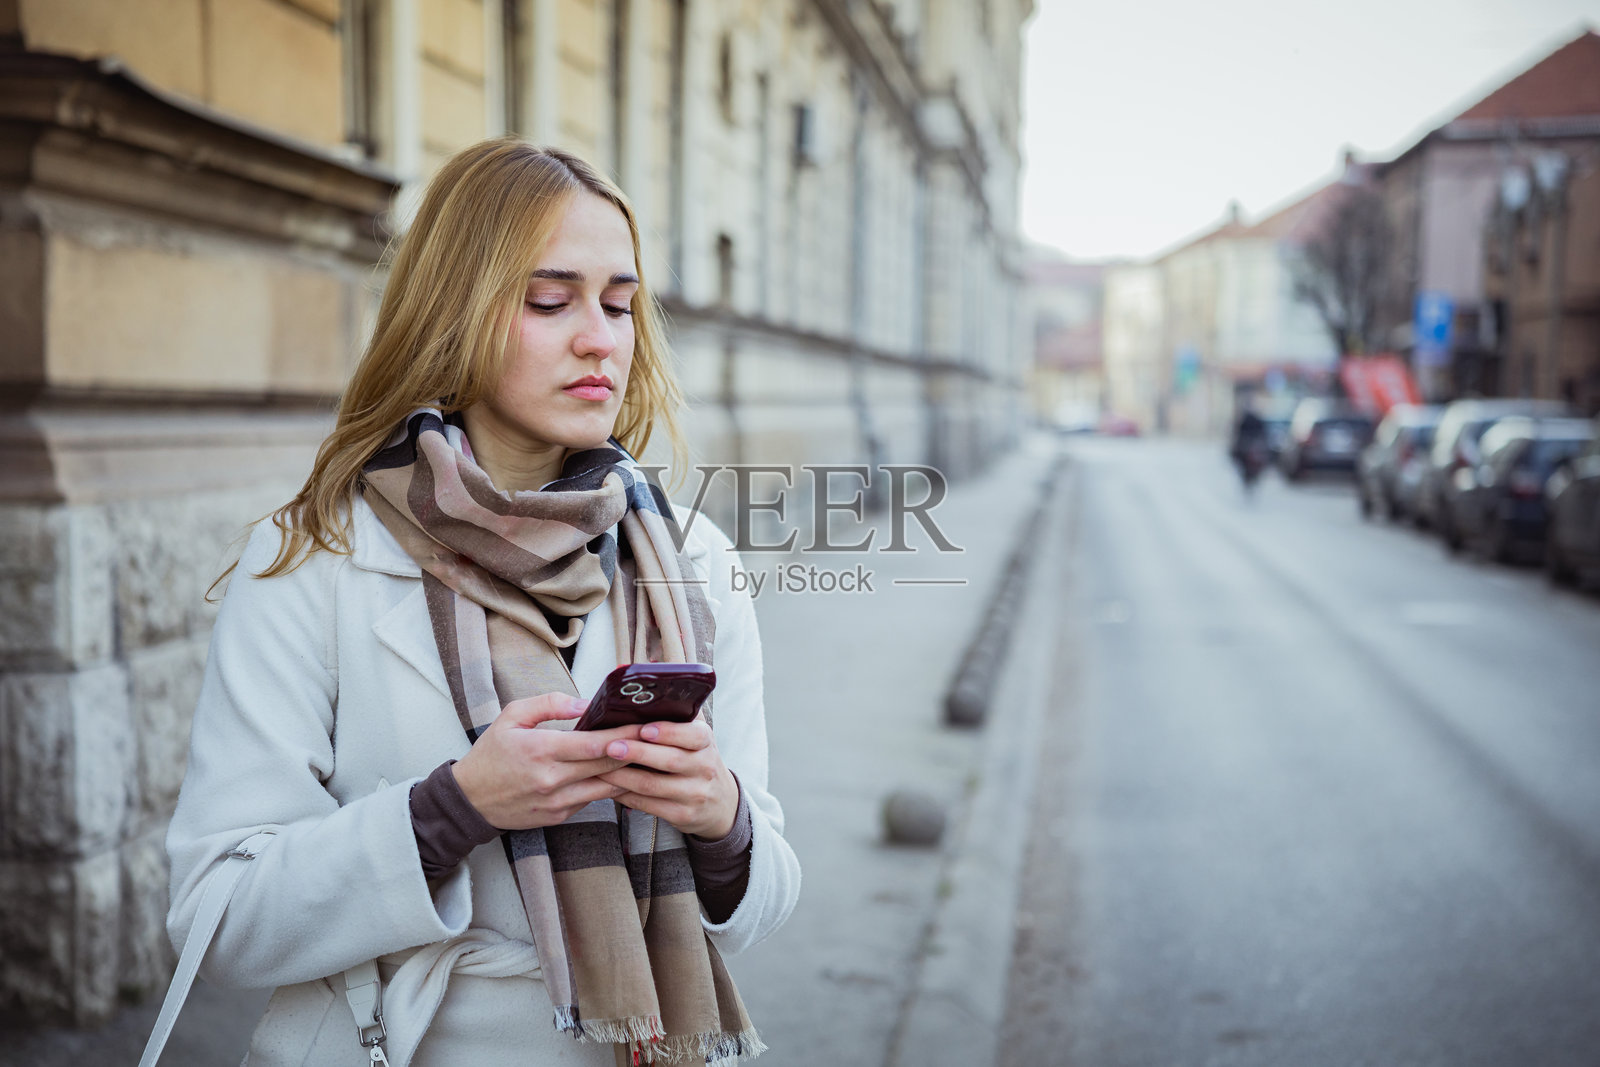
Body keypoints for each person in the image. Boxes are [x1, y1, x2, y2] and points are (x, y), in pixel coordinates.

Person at [165, 138, 801, 1067]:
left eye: (619, 304)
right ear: (454, 312)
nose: (600, 338)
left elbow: (763, 900)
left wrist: (721, 815)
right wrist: (455, 806)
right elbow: (216, 919)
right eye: (550, 301)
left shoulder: (692, 560)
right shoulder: (313, 557)